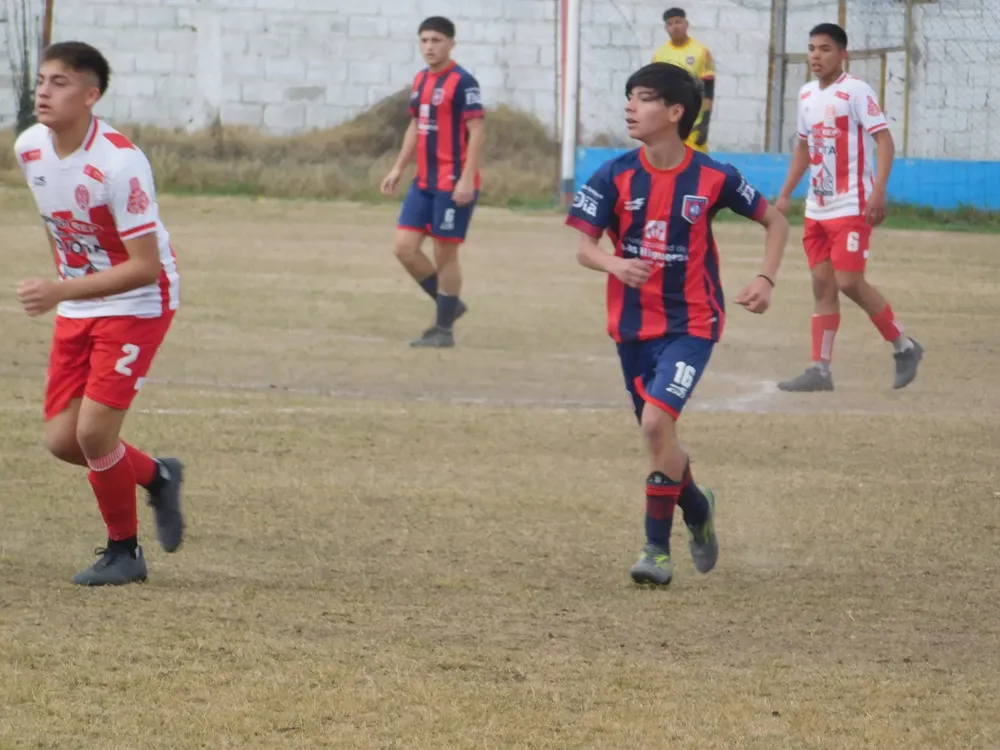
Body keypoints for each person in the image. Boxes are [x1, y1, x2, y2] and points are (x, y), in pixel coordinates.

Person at [565, 62, 788, 586]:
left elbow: (775, 221)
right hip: (631, 327)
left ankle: (655, 552)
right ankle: (696, 504)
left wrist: (765, 278)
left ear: (674, 111)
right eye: (628, 97)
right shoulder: (614, 173)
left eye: (642, 98)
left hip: (693, 322)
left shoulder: (713, 176)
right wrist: (616, 264)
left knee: (654, 425)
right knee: (660, 440)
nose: (629, 107)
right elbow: (583, 248)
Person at [14, 41, 185, 586]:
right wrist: (67, 288)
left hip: (137, 301)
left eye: (59, 82)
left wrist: (61, 289)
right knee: (63, 441)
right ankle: (157, 476)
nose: (43, 90)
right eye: (41, 79)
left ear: (92, 95)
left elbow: (143, 268)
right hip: (82, 300)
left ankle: (124, 553)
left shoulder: (120, 162)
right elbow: (56, 223)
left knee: (93, 435)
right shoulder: (30, 147)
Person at [774, 23, 923, 392]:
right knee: (822, 284)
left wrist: (879, 190)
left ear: (843, 55)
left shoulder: (855, 91)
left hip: (851, 204)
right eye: (811, 48)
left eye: (825, 49)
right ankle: (819, 369)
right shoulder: (807, 94)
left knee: (848, 281)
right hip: (817, 207)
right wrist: (785, 193)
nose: (815, 55)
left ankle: (904, 346)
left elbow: (884, 140)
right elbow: (803, 148)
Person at [380, 16, 486, 348]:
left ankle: (443, 330)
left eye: (436, 40)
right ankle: (449, 305)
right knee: (404, 248)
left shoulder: (463, 82)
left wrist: (467, 179)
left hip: (452, 183)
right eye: (424, 40)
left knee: (445, 253)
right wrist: (399, 167)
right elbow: (416, 126)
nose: (429, 46)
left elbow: (478, 131)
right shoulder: (421, 80)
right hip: (424, 181)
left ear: (451, 43)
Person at [652, 7, 715, 153]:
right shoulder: (660, 54)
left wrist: (705, 122)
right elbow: (655, 90)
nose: (675, 27)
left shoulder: (700, 51)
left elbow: (709, 88)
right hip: (668, 123)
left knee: (697, 165)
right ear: (666, 28)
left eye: (678, 22)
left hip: (694, 122)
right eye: (670, 24)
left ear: (686, 24)